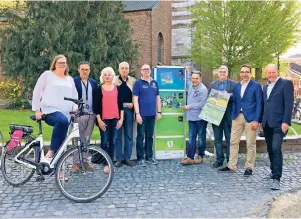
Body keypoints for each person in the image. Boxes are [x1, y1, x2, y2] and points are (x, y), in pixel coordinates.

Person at [219, 64, 262, 176]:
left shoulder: (256, 86)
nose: (244, 74)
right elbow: (235, 100)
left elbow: (259, 104)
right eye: (242, 72)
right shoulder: (237, 86)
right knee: (233, 142)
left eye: (246, 72)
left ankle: (249, 167)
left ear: (250, 73)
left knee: (250, 144)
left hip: (251, 118)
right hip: (237, 117)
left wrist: (257, 120)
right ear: (240, 74)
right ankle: (231, 166)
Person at [32, 54, 78, 159]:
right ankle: (52, 150)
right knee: (62, 121)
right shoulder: (47, 75)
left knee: (62, 141)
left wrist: (75, 108)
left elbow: (74, 95)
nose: (62, 64)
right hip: (49, 110)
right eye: (60, 62)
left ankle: (58, 167)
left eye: (64, 63)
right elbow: (37, 91)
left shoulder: (70, 79)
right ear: (55, 64)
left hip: (66, 113)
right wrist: (37, 110)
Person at [262, 64, 294, 190]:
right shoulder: (265, 87)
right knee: (270, 148)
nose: (271, 75)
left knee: (276, 148)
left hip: (280, 123)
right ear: (266, 73)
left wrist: (286, 122)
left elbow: (289, 104)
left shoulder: (286, 84)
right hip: (267, 123)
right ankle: (272, 170)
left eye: (273, 72)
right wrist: (261, 121)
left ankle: (277, 178)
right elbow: (265, 105)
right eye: (269, 73)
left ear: (277, 72)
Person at [95, 67, 124, 173]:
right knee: (104, 142)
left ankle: (110, 162)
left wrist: (121, 119)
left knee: (113, 141)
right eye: (105, 74)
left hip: (116, 119)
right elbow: (96, 107)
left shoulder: (117, 88)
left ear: (113, 76)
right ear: (102, 77)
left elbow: (121, 105)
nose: (107, 76)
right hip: (104, 120)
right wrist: (99, 120)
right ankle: (105, 163)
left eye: (109, 74)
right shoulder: (99, 89)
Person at [133, 64, 162, 166]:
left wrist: (159, 112)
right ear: (141, 71)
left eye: (148, 69)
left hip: (152, 115)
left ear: (150, 71)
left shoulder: (155, 83)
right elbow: (135, 99)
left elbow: (158, 98)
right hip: (142, 115)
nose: (146, 71)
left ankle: (149, 156)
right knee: (140, 136)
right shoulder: (138, 83)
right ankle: (140, 158)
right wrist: (137, 114)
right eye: (144, 69)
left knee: (149, 136)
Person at [72, 61, 98, 172]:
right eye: (82, 69)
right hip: (78, 114)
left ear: (89, 71)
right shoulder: (74, 82)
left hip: (91, 115)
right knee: (77, 139)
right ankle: (76, 163)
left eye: (86, 69)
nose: (84, 71)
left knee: (87, 139)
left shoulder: (93, 82)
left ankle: (85, 161)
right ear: (78, 70)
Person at [209, 65, 236, 168]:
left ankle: (230, 160)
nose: (222, 73)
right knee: (217, 139)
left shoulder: (233, 84)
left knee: (230, 139)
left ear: (227, 73)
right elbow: (209, 99)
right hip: (216, 116)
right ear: (218, 73)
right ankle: (219, 159)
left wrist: (228, 95)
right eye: (221, 72)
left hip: (228, 116)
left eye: (224, 72)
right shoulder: (212, 84)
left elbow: (237, 96)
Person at [180, 71, 208, 165]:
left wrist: (189, 106)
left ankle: (200, 156)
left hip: (200, 118)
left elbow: (202, 104)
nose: (194, 80)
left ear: (200, 79)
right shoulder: (191, 86)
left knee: (201, 138)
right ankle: (190, 157)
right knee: (191, 137)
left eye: (196, 78)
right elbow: (185, 77)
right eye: (193, 78)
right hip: (191, 117)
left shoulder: (203, 89)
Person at [114, 61, 136, 167]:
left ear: (128, 69)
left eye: (126, 68)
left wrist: (133, 104)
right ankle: (119, 158)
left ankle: (127, 158)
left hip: (129, 110)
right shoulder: (114, 80)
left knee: (128, 134)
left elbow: (136, 96)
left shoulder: (133, 81)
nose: (124, 70)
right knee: (118, 135)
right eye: (122, 68)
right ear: (118, 69)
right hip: (117, 110)